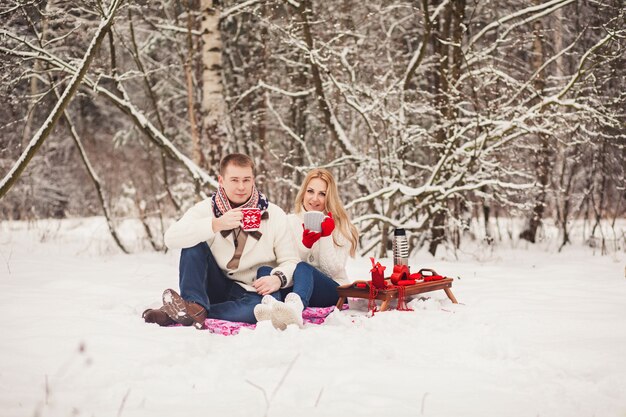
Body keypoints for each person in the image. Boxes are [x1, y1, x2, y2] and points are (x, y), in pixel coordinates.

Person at [142, 153, 299, 327]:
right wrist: (215, 224)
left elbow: (291, 261)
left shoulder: (274, 214)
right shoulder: (207, 208)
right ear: (221, 180)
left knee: (260, 311)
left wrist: (278, 278)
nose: (241, 187)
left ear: (253, 180)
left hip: (252, 291)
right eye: (234, 180)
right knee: (192, 244)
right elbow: (171, 238)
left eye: (246, 180)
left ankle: (187, 312)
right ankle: (193, 305)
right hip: (215, 284)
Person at [254, 168, 359, 330]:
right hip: (294, 287)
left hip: (331, 291)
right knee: (265, 270)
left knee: (303, 267)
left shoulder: (341, 226)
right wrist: (305, 246)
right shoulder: (289, 222)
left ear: (329, 198)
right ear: (303, 193)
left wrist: (325, 236)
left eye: (322, 194)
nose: (315, 199)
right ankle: (272, 309)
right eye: (310, 191)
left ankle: (295, 308)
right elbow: (284, 263)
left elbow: (332, 270)